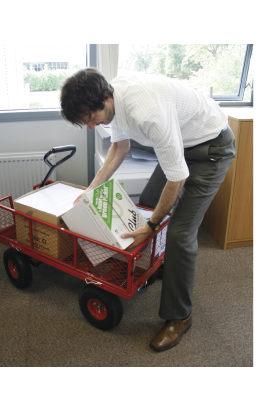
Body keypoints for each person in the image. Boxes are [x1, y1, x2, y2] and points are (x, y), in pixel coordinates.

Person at [60, 67, 236, 351]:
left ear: (105, 97)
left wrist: (152, 226)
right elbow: (119, 147)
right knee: (148, 201)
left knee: (179, 232)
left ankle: (179, 318)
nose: (92, 126)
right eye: (86, 123)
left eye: (92, 118)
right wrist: (90, 190)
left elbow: (178, 177)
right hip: (183, 144)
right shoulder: (112, 100)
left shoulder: (146, 110)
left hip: (211, 150)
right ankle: (162, 264)